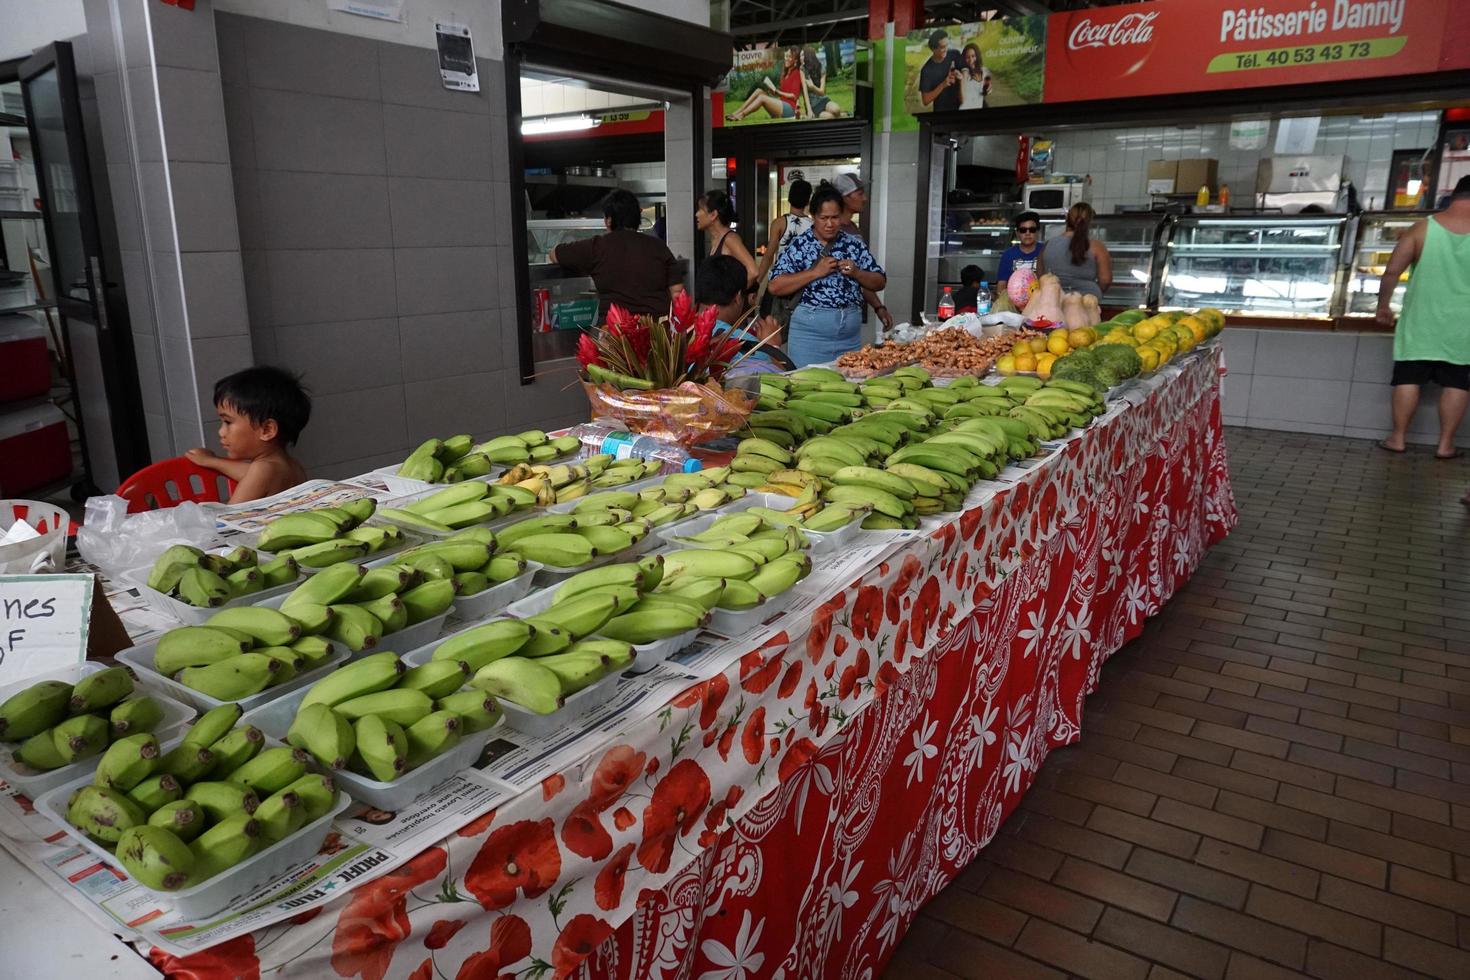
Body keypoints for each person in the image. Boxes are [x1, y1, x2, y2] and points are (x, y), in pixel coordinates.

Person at [1374, 174, 1470, 474]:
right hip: (1464, 325)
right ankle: (1445, 445)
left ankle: (1398, 438)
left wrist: (1383, 306)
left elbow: (1391, 272)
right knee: (1457, 381)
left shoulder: (1423, 228)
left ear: (1453, 196)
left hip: (1421, 320)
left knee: (1408, 378)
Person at [769, 184, 886, 366]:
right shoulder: (800, 246)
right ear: (813, 217)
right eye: (824, 218)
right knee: (806, 387)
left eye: (835, 217)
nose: (830, 224)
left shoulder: (853, 245)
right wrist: (815, 272)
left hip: (849, 337)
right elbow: (775, 285)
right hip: (809, 338)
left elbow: (879, 281)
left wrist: (857, 273)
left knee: (847, 388)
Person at [551, 189, 683, 320]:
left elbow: (554, 254)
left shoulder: (596, 246)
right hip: (656, 333)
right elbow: (677, 293)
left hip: (616, 334)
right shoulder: (658, 246)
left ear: (608, 220)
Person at [187, 366, 310, 504]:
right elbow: (249, 473)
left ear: (267, 430)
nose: (221, 432)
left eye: (228, 422)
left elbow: (227, 519)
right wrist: (210, 461)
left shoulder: (263, 470)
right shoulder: (291, 466)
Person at [697, 255, 787, 373]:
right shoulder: (744, 342)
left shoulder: (676, 333)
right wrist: (772, 348)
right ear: (738, 297)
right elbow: (781, 379)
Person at [831, 173, 893, 334]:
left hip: (850, 316)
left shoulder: (853, 228)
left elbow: (859, 275)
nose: (864, 198)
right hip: (830, 319)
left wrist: (878, 306)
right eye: (859, 193)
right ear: (844, 198)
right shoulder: (830, 232)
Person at [755, 179, 812, 332]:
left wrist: (757, 283)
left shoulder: (779, 223)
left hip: (779, 282)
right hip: (802, 283)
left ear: (790, 197)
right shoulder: (814, 226)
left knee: (770, 327)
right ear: (808, 200)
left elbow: (768, 256)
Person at [1037, 202, 1111, 299]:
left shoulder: (1048, 245)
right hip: (1087, 302)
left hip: (1054, 300)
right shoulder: (1097, 247)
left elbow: (1040, 276)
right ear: (1089, 222)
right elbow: (1105, 280)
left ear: (1067, 218)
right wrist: (1093, 292)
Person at [697, 189, 759, 289]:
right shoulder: (716, 240)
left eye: (700, 210)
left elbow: (753, 272)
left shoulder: (730, 239)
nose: (697, 214)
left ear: (713, 215)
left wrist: (731, 298)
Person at [726, 46, 801, 122]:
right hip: (782, 105)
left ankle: (741, 115)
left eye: (790, 57)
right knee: (759, 91)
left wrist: (778, 92)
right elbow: (783, 94)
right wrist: (774, 92)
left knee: (762, 97)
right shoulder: (785, 73)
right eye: (786, 56)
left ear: (795, 60)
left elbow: (794, 95)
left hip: (789, 109)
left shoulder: (796, 73)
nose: (786, 58)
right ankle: (737, 112)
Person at [997, 211, 1043, 294]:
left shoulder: (1045, 252)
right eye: (1023, 230)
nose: (1027, 233)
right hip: (1013, 304)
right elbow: (1002, 285)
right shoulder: (1008, 255)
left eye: (1032, 230)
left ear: (1037, 232)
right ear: (1017, 233)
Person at [918, 30, 961, 112]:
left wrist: (960, 77)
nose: (946, 49)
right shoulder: (926, 70)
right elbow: (925, 100)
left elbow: (969, 72)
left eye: (946, 45)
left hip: (963, 108)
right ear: (933, 49)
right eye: (942, 47)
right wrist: (943, 85)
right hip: (941, 113)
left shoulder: (955, 54)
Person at [800, 47, 844, 118]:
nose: (800, 58)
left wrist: (813, 87)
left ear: (809, 55)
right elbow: (805, 93)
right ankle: (841, 116)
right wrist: (809, 110)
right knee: (830, 117)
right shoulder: (802, 69)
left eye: (802, 55)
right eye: (800, 56)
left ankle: (842, 115)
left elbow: (822, 92)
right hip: (813, 105)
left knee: (836, 110)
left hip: (823, 99)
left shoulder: (821, 67)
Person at [958, 43, 990, 109]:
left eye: (973, 56)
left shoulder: (984, 71)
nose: (971, 60)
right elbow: (962, 100)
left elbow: (987, 91)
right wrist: (961, 80)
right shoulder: (965, 72)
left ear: (977, 56)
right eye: (967, 57)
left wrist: (988, 89)